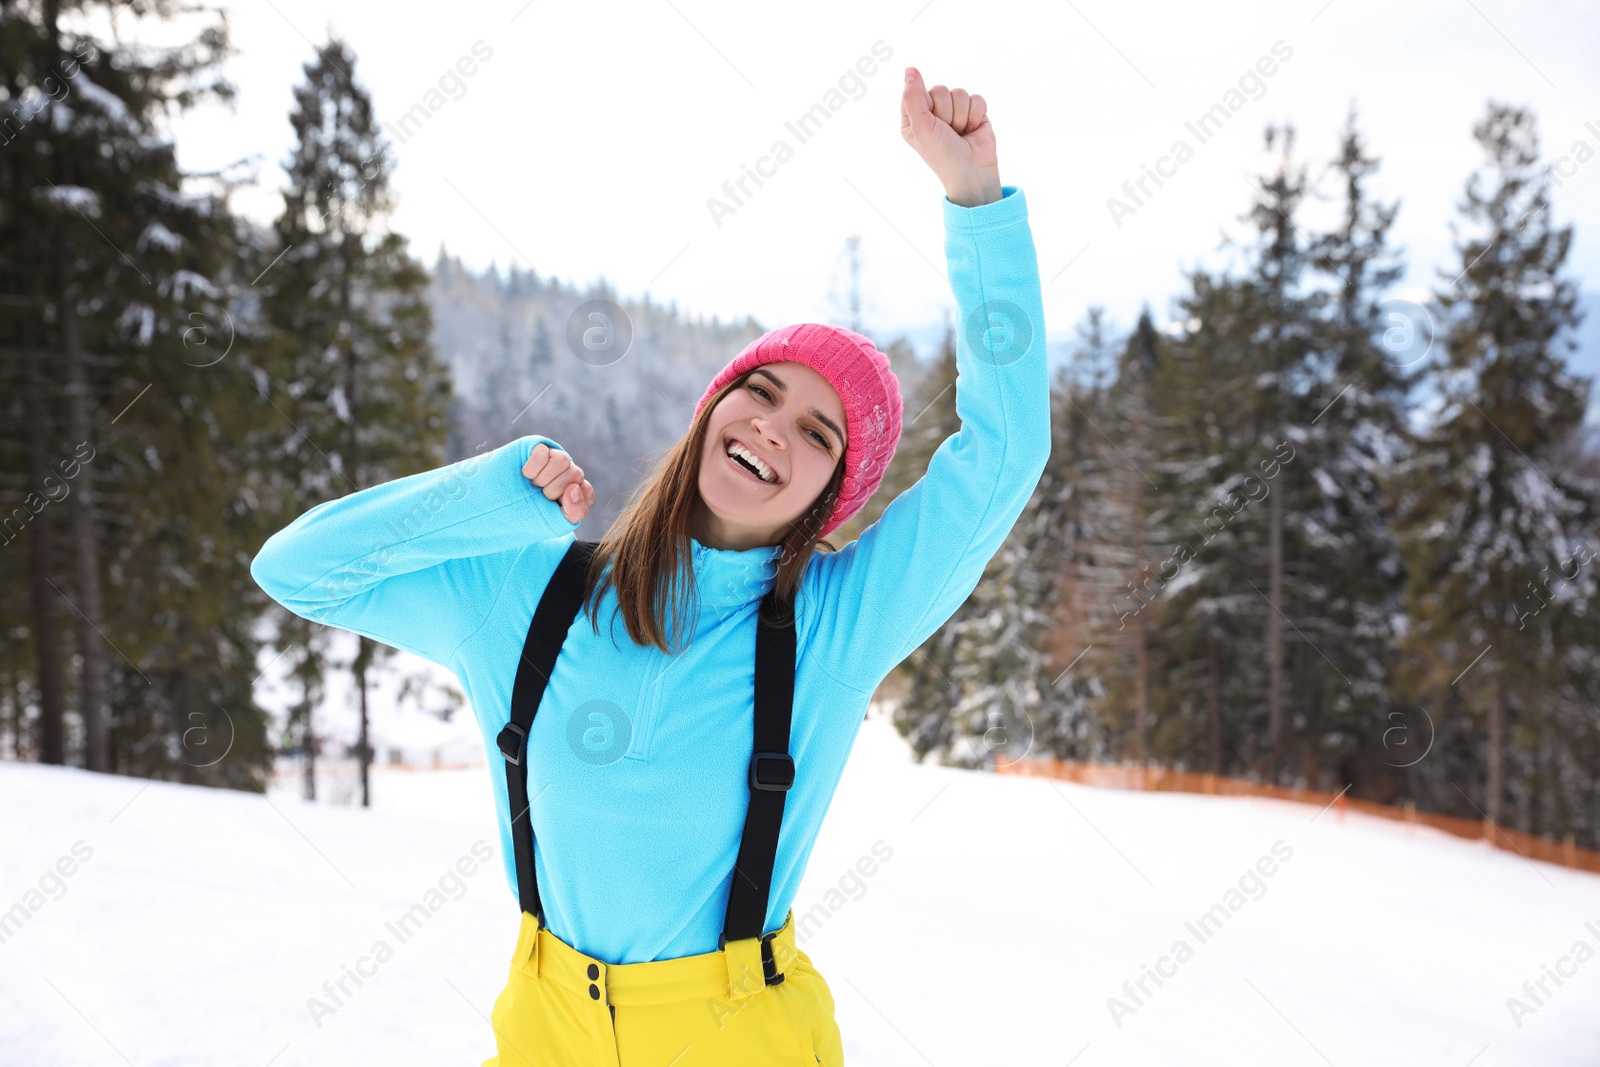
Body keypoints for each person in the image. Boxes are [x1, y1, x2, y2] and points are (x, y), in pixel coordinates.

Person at [251, 64, 1049, 1067]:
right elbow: (298, 568)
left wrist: (974, 202)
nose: (771, 429)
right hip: (544, 1026)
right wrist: (494, 496)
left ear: (830, 495)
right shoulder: (529, 595)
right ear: (711, 407)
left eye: (816, 432)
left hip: (739, 1035)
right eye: (758, 390)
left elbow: (1004, 451)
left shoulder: (835, 626)